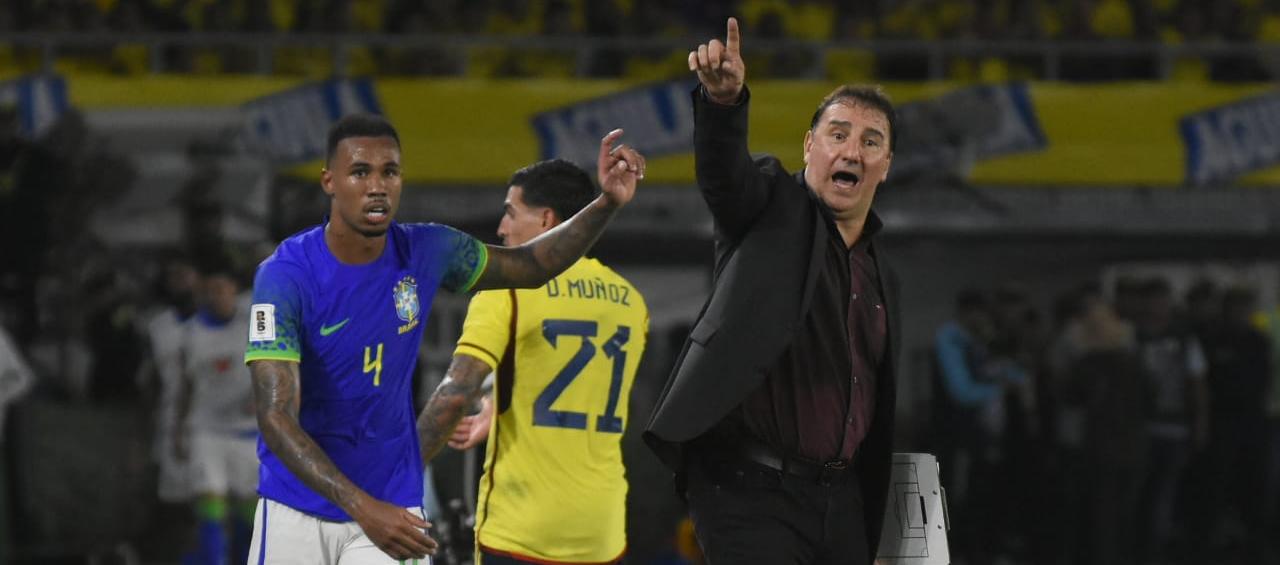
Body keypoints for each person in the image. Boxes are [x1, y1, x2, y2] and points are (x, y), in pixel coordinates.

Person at [243, 113, 643, 564]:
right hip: (297, 508)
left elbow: (533, 266)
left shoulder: (429, 249)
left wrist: (607, 203)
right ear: (329, 181)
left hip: (393, 508)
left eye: (390, 172)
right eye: (360, 172)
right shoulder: (285, 275)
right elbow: (275, 415)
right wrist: (361, 507)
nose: (377, 186)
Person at [643, 18, 900, 565]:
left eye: (870, 141)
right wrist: (722, 103)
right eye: (838, 135)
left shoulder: (882, 274)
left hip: (841, 499)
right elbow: (723, 177)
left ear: (885, 166)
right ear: (809, 146)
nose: (852, 151)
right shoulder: (768, 206)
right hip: (748, 491)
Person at [416, 158, 650, 564]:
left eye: (510, 213)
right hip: (602, 533)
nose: (501, 228)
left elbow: (455, 394)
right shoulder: (631, 302)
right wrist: (498, 406)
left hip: (521, 533)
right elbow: (575, 380)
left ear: (546, 219)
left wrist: (395, 473)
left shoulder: (507, 290)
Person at [173, 259, 259, 565]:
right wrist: (177, 430)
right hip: (206, 431)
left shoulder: (253, 326)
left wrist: (262, 398)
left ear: (234, 290)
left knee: (249, 515)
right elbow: (184, 386)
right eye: (209, 290)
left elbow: (277, 369)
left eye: (221, 289)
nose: (215, 296)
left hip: (248, 432)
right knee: (211, 506)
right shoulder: (189, 333)